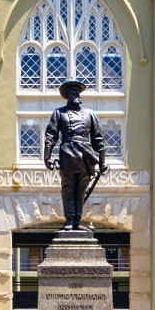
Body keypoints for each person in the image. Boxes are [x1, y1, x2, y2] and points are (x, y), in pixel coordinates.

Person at [43, 80, 107, 230]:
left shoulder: (90, 114)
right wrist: (47, 158)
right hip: (67, 154)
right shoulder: (59, 113)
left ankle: (77, 220)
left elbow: (98, 139)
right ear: (66, 95)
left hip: (86, 155)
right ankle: (70, 220)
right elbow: (51, 136)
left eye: (77, 90)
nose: (76, 93)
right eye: (72, 91)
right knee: (68, 188)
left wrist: (102, 162)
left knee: (82, 188)